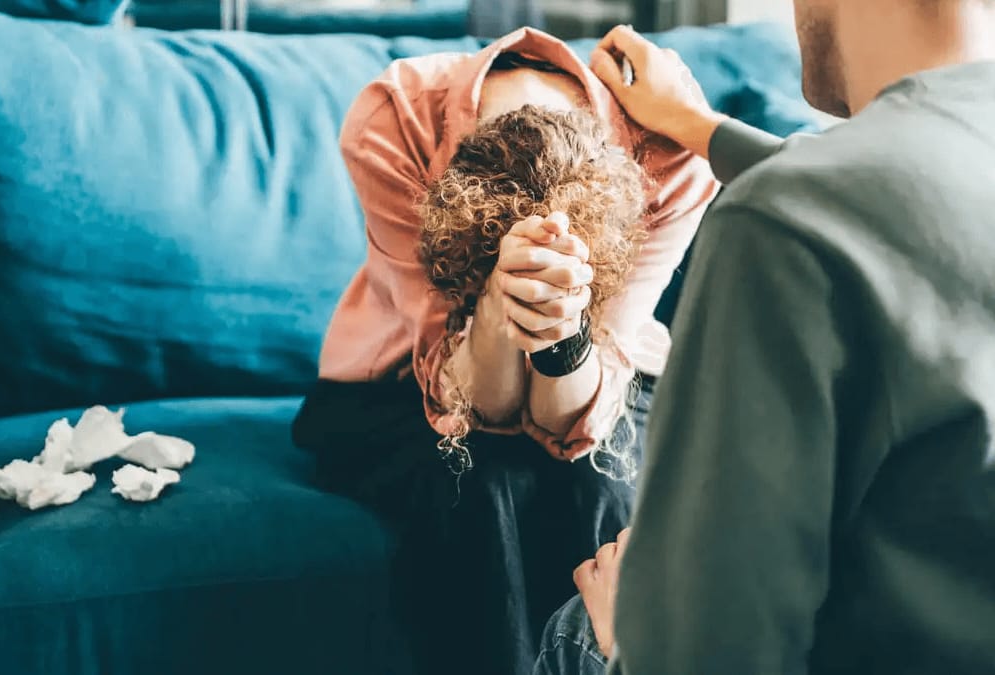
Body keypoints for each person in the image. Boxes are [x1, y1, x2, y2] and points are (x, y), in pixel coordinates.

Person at [535, 1, 995, 672]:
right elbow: (907, 202)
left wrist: (623, 644)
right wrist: (698, 128)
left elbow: (709, 653)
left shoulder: (787, 225)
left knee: (579, 630)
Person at [290, 27, 717, 675]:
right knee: (476, 483)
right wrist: (496, 302)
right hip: (408, 380)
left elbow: (567, 424)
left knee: (597, 477)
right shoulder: (396, 119)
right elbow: (475, 407)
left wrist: (564, 334)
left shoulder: (668, 147)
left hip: (607, 379)